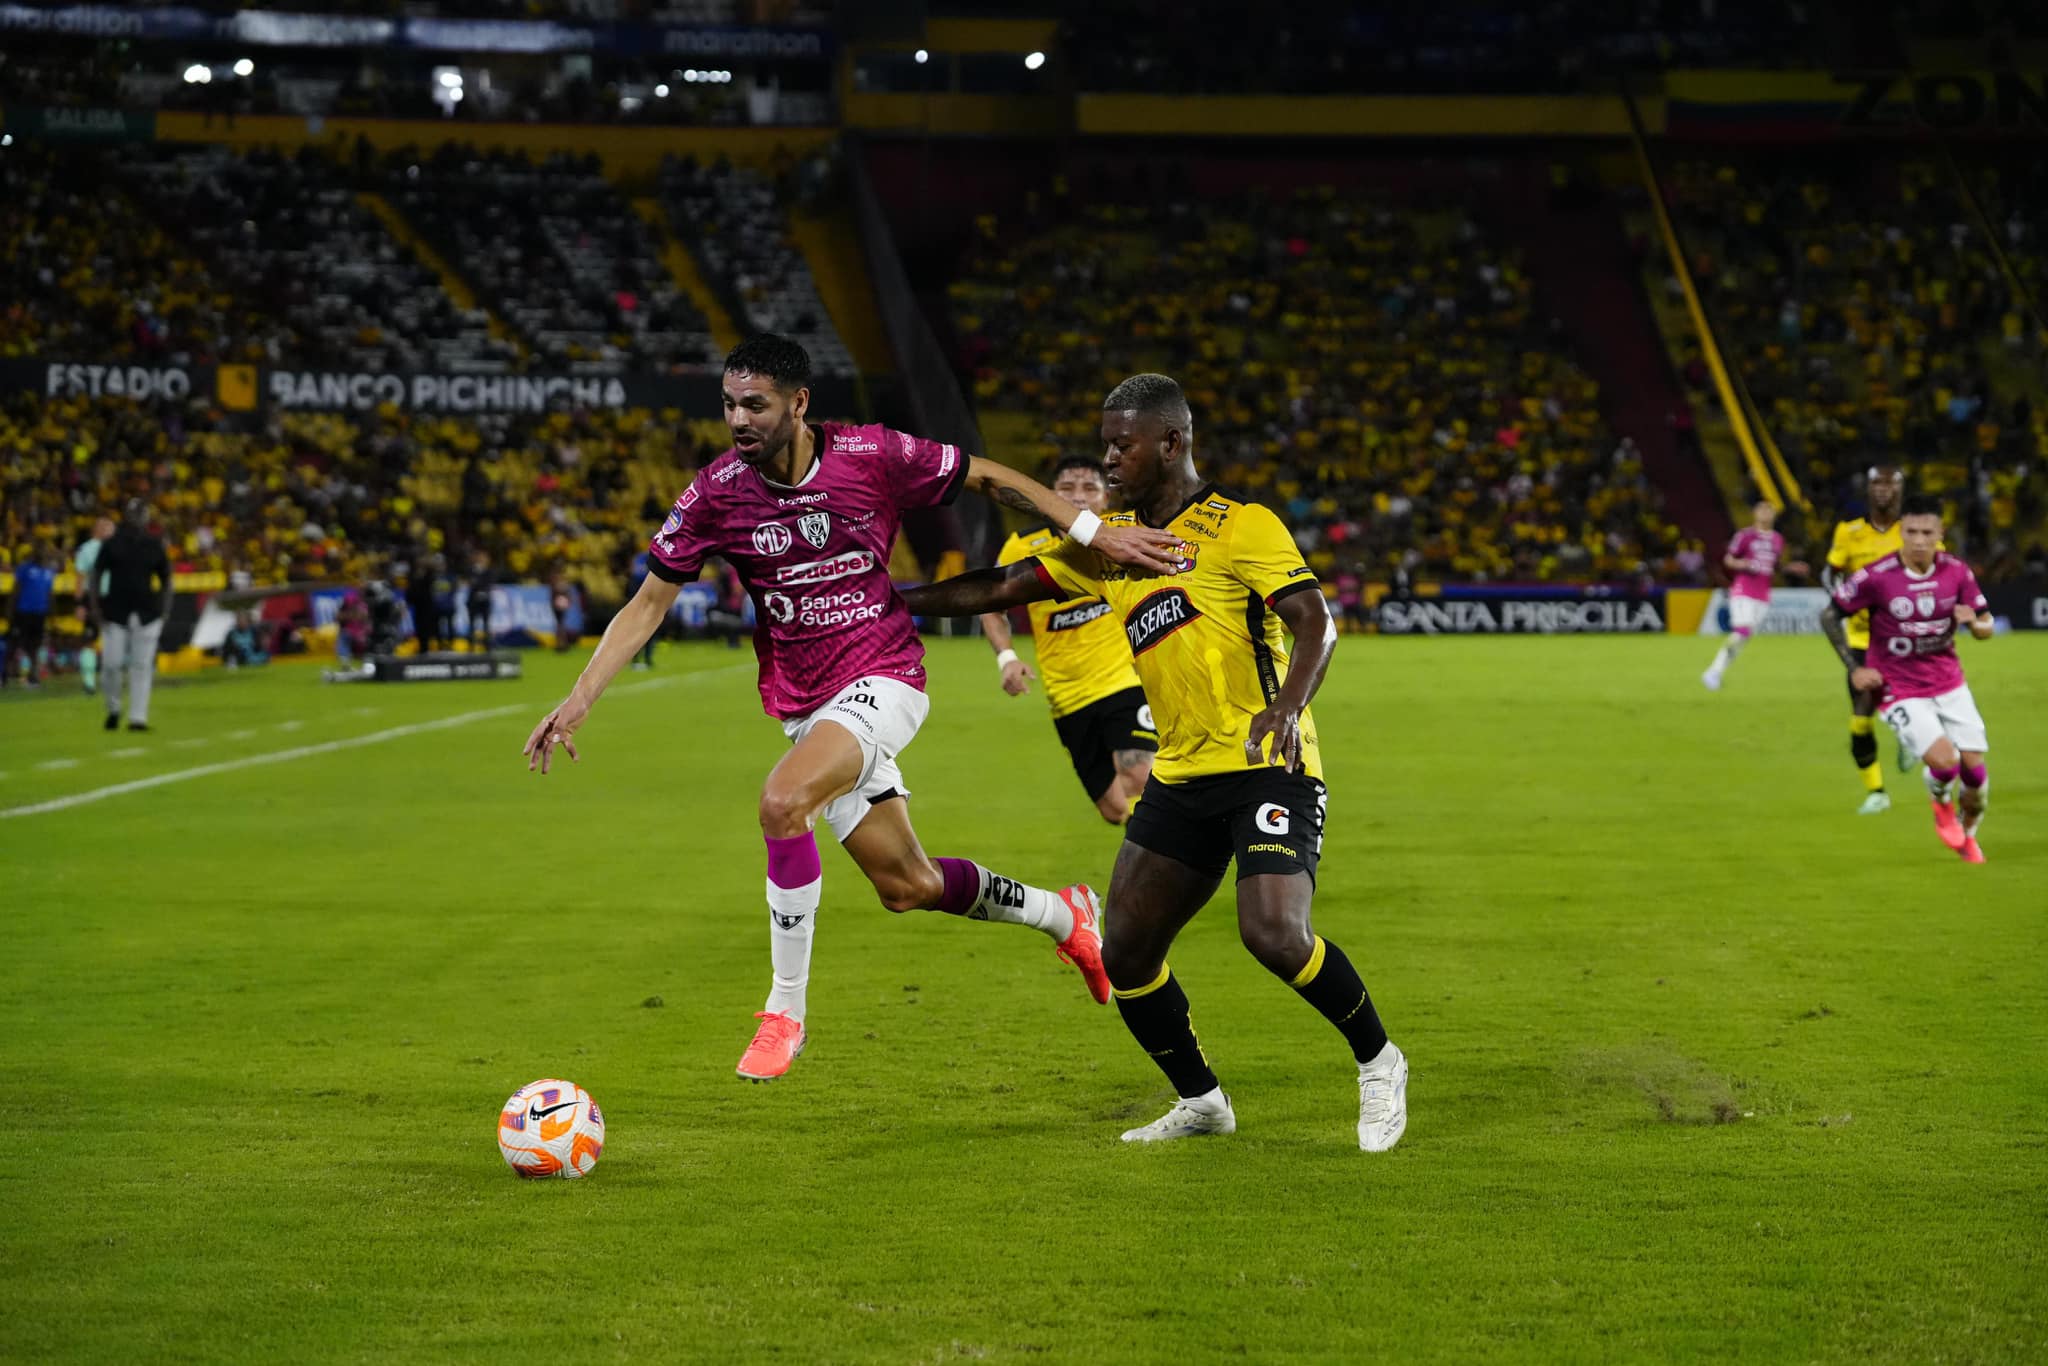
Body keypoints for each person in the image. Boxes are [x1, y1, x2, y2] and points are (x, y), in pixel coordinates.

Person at [524, 334, 1183, 1084]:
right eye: (729, 405)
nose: (738, 419)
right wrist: (578, 699)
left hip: (885, 675)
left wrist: (1095, 532)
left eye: (755, 404)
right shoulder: (715, 494)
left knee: (782, 801)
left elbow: (987, 475)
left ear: (798, 404)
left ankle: (785, 1011)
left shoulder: (870, 454)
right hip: (805, 706)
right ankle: (1066, 916)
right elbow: (648, 603)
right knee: (910, 886)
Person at [902, 373, 1407, 1151]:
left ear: (1172, 443)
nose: (1108, 457)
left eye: (1121, 443)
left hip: (1267, 763)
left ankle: (1379, 1060)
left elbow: (1317, 623)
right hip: (1182, 773)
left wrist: (1285, 709)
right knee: (1128, 951)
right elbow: (1000, 587)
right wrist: (887, 596)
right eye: (1104, 441)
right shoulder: (1112, 545)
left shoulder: (1242, 525)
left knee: (1272, 933)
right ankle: (1202, 1100)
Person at [976, 454, 1156, 825]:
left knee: (1139, 777)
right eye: (1066, 488)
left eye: (1090, 488)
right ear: (1046, 495)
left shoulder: (1123, 537)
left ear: (1107, 498)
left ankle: (1167, 873)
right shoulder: (1023, 546)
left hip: (1125, 681)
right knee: (1114, 810)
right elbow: (989, 604)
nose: (1078, 496)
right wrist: (1006, 658)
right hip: (1067, 697)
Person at [1821, 495, 1996, 862]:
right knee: (1946, 761)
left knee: (1976, 778)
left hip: (1949, 681)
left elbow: (1985, 624)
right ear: (1901, 531)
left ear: (1940, 533)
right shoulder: (1876, 576)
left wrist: (1976, 625)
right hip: (1898, 687)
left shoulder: (1957, 571)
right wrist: (1855, 668)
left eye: (1927, 532)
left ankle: (1969, 834)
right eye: (1912, 531)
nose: (1919, 540)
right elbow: (1828, 615)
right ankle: (1941, 803)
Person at [1822, 466, 1908, 811]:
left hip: (1904, 640)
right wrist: (1842, 597)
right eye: (1877, 483)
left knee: (1907, 703)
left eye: (1890, 483)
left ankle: (1912, 736)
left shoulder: (1915, 531)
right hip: (1860, 640)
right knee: (1860, 718)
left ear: (1900, 489)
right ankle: (1877, 792)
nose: (1883, 490)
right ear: (1868, 489)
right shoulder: (1849, 532)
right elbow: (1830, 570)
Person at [85, 498, 173, 733]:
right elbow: (95, 576)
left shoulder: (154, 545)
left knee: (141, 666)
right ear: (127, 516)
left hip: (147, 612)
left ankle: (138, 718)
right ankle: (113, 708)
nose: (138, 518)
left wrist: (164, 610)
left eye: (142, 513)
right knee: (111, 664)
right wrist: (96, 609)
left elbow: (166, 579)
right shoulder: (112, 544)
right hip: (115, 611)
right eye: (135, 513)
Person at [1702, 499, 1807, 691]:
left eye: (1770, 510)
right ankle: (1712, 672)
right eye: (1762, 509)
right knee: (1742, 631)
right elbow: (1729, 560)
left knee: (1744, 637)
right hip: (1743, 590)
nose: (1766, 513)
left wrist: (1790, 568)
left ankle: (1715, 673)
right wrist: (1745, 564)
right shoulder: (1745, 536)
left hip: (1763, 594)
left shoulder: (1777, 539)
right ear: (1755, 513)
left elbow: (1774, 566)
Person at [73, 514, 115, 695]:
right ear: (97, 530)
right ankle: (89, 683)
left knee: (114, 639)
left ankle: (110, 679)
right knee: (90, 639)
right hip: (93, 598)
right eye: (107, 527)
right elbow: (80, 578)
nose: (111, 531)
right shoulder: (87, 550)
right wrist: (79, 604)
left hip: (114, 597)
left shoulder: (115, 547)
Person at [5, 543, 57, 687]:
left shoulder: (49, 571)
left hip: (39, 613)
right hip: (23, 612)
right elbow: (15, 590)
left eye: (45, 550)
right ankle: (3, 676)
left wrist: (52, 615)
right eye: (40, 550)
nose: (43, 553)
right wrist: (9, 609)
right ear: (35, 553)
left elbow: (49, 594)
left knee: (34, 646)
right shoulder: (24, 568)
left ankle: (32, 677)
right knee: (14, 644)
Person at [466, 552, 496, 653]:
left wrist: (482, 590)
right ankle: (471, 648)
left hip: (485, 602)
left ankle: (487, 647)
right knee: (472, 625)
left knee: (486, 625)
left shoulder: (488, 571)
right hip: (473, 602)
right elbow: (472, 583)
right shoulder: (471, 571)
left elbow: (489, 584)